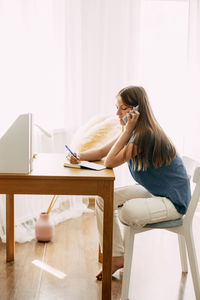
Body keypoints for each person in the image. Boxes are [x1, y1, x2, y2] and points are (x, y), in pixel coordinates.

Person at [67, 86, 191, 280]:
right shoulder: (133, 131)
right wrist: (78, 156)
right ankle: (117, 257)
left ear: (137, 110)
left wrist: (126, 131)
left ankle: (119, 257)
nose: (117, 113)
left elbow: (109, 162)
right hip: (155, 192)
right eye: (117, 107)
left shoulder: (143, 134)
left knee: (127, 211)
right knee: (102, 199)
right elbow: (102, 153)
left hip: (174, 201)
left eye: (123, 108)